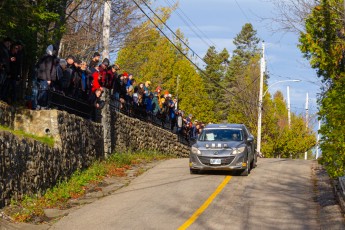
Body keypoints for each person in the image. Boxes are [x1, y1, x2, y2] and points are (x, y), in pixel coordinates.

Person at [36, 44, 58, 109]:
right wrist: (49, 79)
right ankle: (41, 105)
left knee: (41, 90)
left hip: (41, 76)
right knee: (44, 91)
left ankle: (39, 104)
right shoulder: (49, 58)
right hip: (45, 77)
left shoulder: (44, 56)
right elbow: (48, 69)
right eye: (54, 51)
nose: (55, 52)